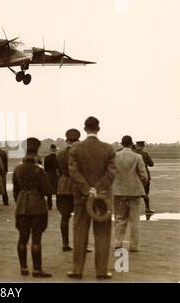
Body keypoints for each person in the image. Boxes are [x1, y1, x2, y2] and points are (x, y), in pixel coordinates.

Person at [67, 116, 116, 280]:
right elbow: (111, 173)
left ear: (84, 128)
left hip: (81, 198)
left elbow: (73, 172)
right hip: (102, 200)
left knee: (80, 232)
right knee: (102, 234)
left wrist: (88, 189)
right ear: (98, 128)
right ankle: (101, 271)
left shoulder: (75, 148)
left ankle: (77, 270)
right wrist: (98, 189)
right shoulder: (108, 149)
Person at [13, 137, 53, 278]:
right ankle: (37, 269)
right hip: (37, 207)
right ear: (36, 152)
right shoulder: (39, 171)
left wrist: (19, 202)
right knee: (36, 239)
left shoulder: (17, 169)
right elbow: (48, 190)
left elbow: (15, 190)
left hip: (22, 206)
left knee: (22, 238)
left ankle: (23, 268)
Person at [113, 136, 148, 252]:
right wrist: (142, 183)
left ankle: (118, 243)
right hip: (134, 191)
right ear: (132, 144)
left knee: (119, 218)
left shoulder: (115, 156)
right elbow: (143, 175)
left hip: (119, 191)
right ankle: (134, 246)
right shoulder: (138, 157)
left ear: (121, 144)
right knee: (134, 221)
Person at [56, 129, 80, 251]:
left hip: (63, 185)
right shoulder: (80, 153)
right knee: (80, 217)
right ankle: (81, 244)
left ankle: (65, 243)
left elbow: (58, 171)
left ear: (67, 140)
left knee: (65, 217)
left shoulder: (60, 154)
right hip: (77, 186)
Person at [134, 141, 155, 214]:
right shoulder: (145, 154)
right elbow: (151, 164)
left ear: (136, 145)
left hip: (134, 176)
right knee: (145, 193)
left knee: (133, 194)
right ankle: (147, 208)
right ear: (143, 146)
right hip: (145, 175)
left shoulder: (133, 153)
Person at [44, 144, 58, 210]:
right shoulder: (57, 158)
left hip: (49, 176)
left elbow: (45, 168)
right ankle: (58, 205)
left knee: (49, 192)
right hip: (56, 176)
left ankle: (50, 206)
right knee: (57, 191)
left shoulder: (46, 158)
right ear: (55, 150)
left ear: (50, 149)